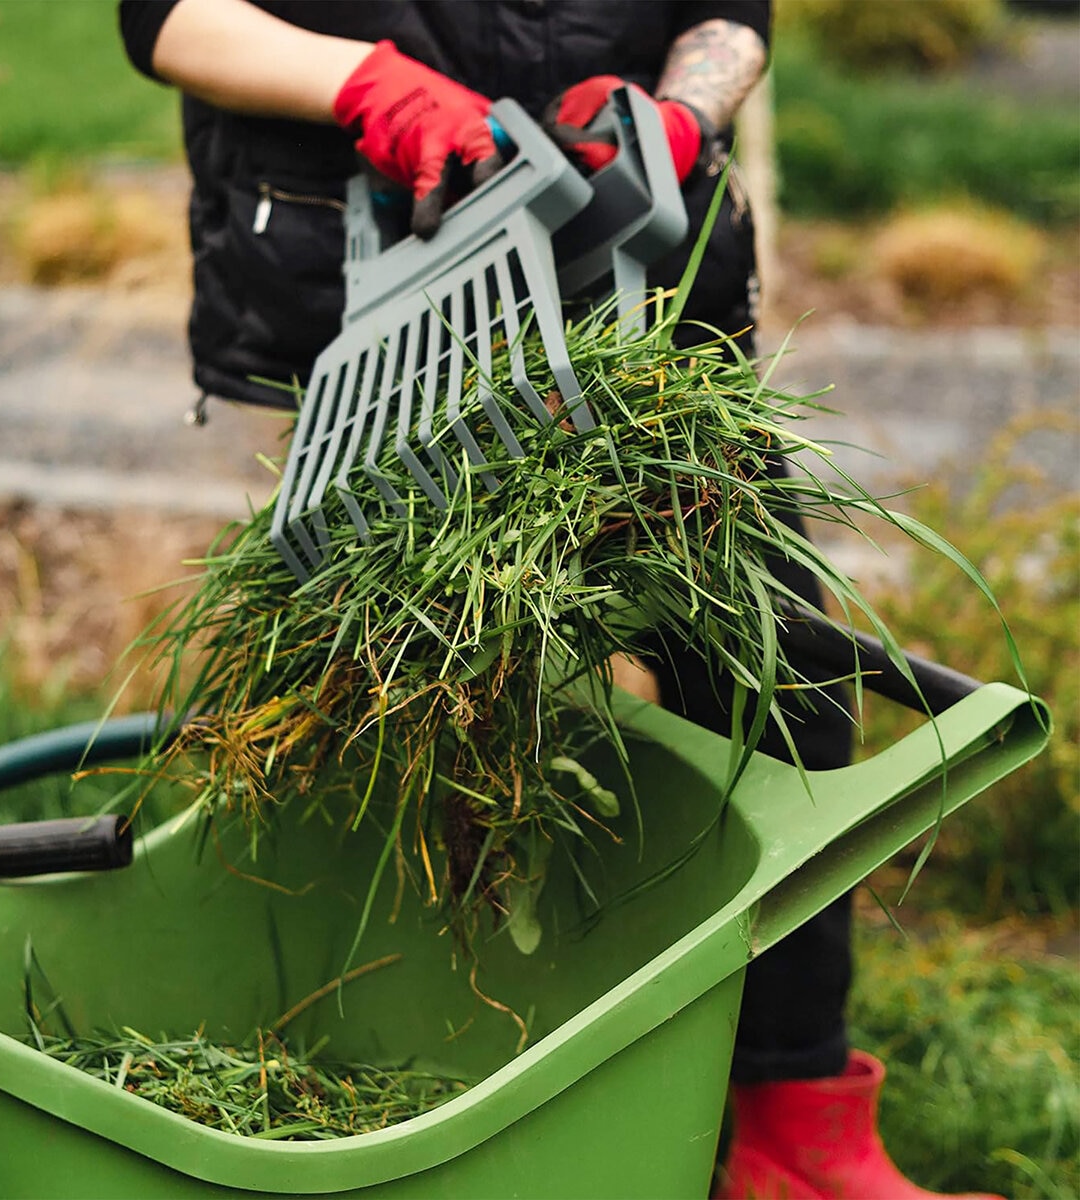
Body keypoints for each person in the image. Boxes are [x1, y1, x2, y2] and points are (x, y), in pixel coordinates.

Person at [117, 5, 997, 1198]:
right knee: (405, 713)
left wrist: (682, 111)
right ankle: (395, 1094)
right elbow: (163, 13)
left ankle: (794, 1123)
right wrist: (367, 81)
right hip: (376, 310)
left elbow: (731, 10)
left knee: (778, 672)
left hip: (632, 289)